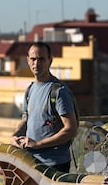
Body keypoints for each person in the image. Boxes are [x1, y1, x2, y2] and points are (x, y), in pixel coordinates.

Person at [11, 42, 78, 172]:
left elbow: (71, 130)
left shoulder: (59, 91)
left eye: (41, 59)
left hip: (54, 165)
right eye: (33, 59)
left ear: (50, 61)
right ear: (28, 61)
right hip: (31, 162)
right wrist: (14, 136)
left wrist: (38, 144)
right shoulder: (30, 90)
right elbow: (26, 119)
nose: (36, 63)